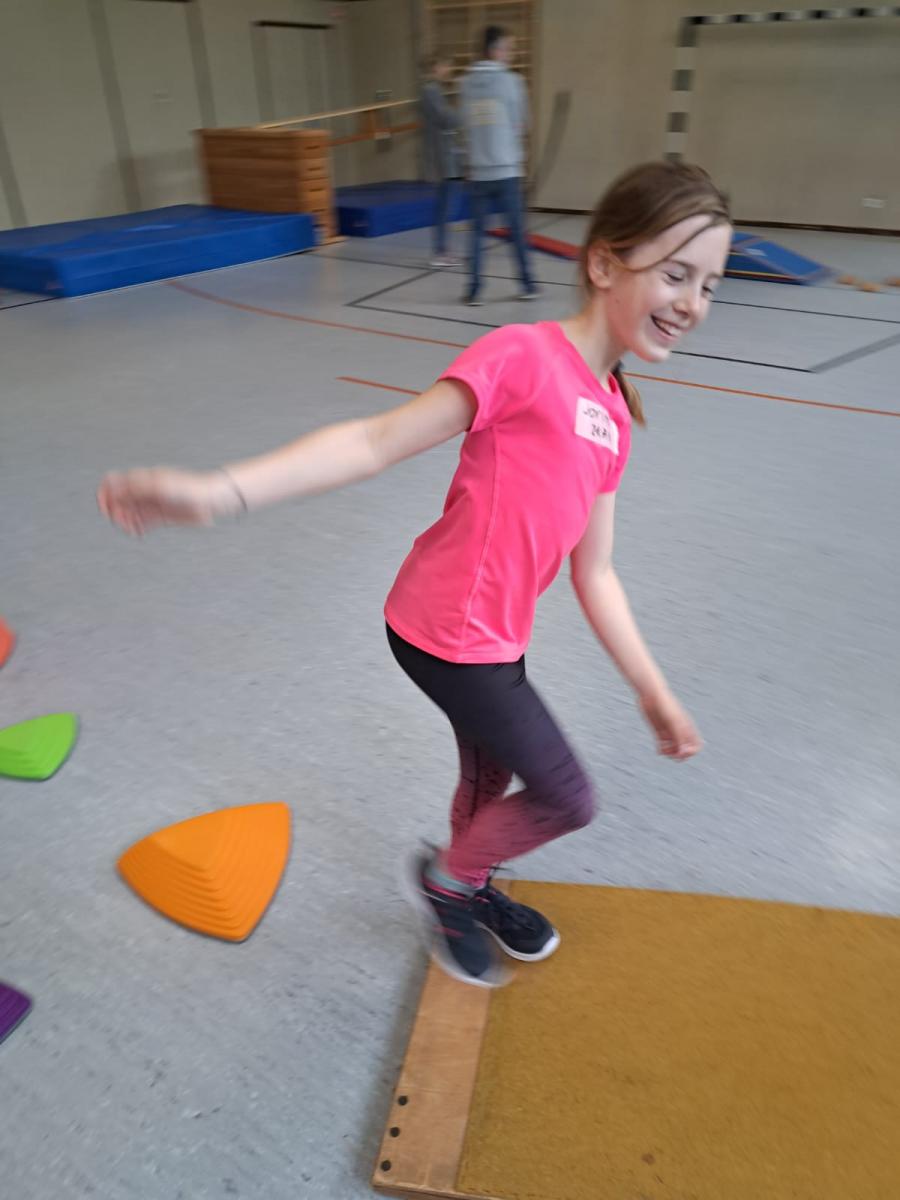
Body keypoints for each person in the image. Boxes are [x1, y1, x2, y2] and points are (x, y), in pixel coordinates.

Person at [97, 161, 732, 989]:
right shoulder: (523, 357)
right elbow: (375, 441)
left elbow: (597, 570)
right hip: (447, 633)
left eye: (710, 285)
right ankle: (448, 882)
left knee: (490, 775)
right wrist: (219, 492)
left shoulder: (612, 412)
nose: (693, 301)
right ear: (605, 263)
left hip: (494, 637)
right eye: (676, 274)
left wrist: (652, 690)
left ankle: (469, 880)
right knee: (567, 797)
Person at [459, 25, 536, 306]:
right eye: (507, 48)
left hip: (478, 171)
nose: (510, 54)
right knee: (516, 230)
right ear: (494, 50)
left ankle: (474, 290)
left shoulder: (465, 83)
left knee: (476, 234)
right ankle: (527, 283)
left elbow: (464, 125)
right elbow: (522, 124)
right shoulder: (512, 82)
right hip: (506, 171)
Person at [420, 52, 462, 269]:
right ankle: (439, 251)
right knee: (444, 208)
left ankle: (443, 249)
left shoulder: (436, 91)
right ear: (436, 67)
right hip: (442, 159)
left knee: (448, 206)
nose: (449, 70)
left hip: (448, 158)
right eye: (446, 65)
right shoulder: (430, 91)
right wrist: (463, 111)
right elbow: (446, 119)